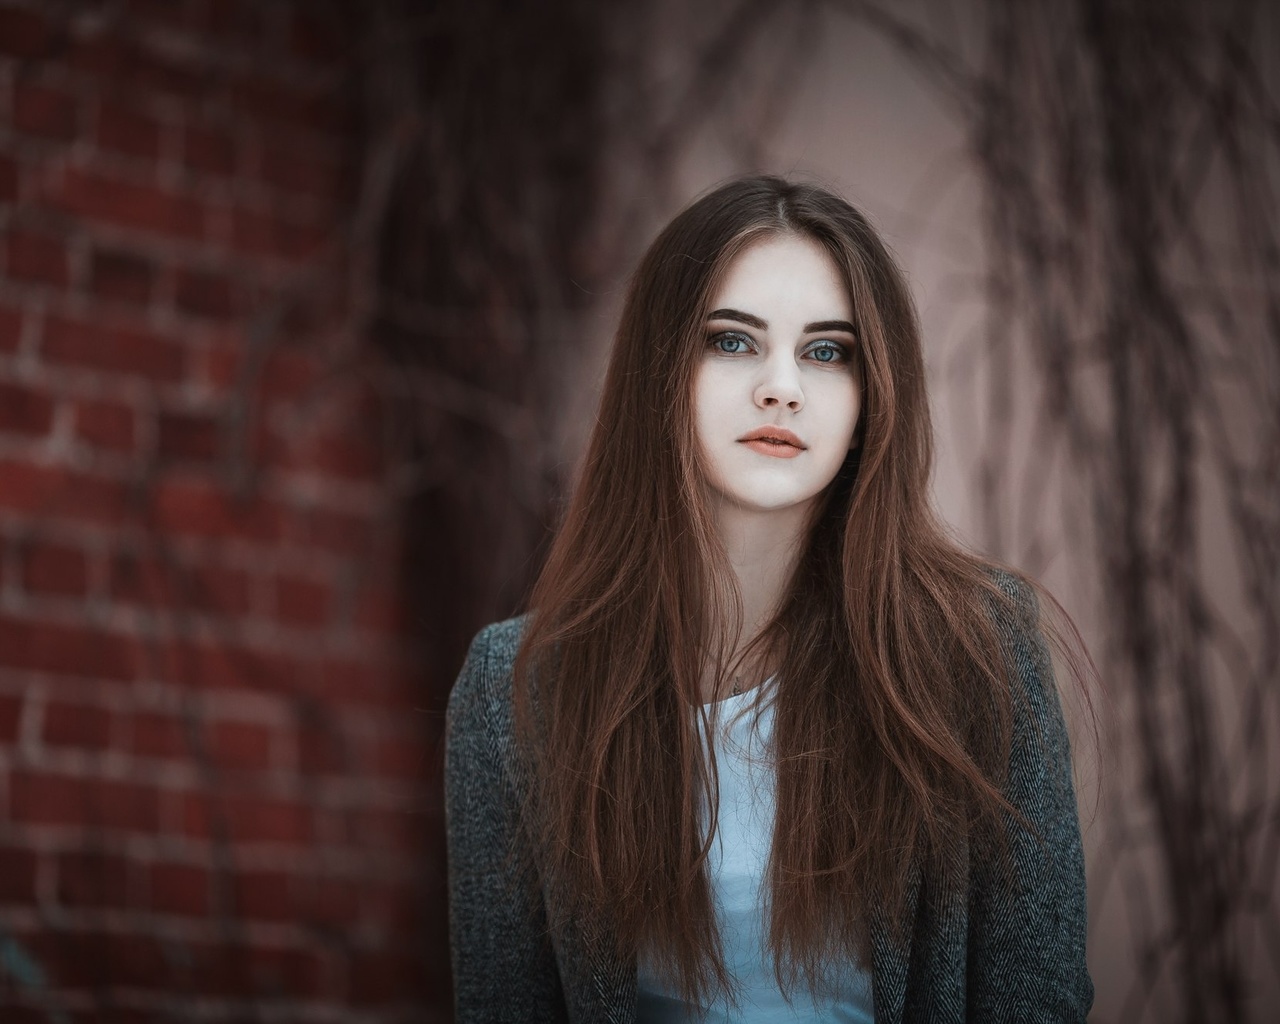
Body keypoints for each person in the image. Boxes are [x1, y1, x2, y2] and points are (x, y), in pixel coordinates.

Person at [445, 175, 1093, 1023]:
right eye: (732, 341)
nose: (782, 387)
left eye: (828, 352)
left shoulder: (977, 655)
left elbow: (1032, 1002)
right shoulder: (513, 691)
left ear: (869, 401)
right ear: (659, 374)